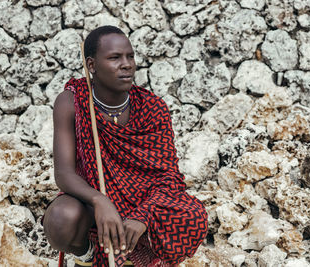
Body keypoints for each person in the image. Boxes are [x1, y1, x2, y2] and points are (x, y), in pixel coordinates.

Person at [42, 25, 208, 267]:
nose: (127, 64)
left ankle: (137, 253)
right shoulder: (72, 102)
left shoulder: (153, 107)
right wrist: (100, 200)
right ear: (91, 65)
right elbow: (64, 174)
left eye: (130, 56)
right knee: (60, 218)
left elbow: (170, 177)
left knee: (194, 217)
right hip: (94, 201)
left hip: (146, 201)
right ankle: (86, 257)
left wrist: (143, 216)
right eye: (114, 58)